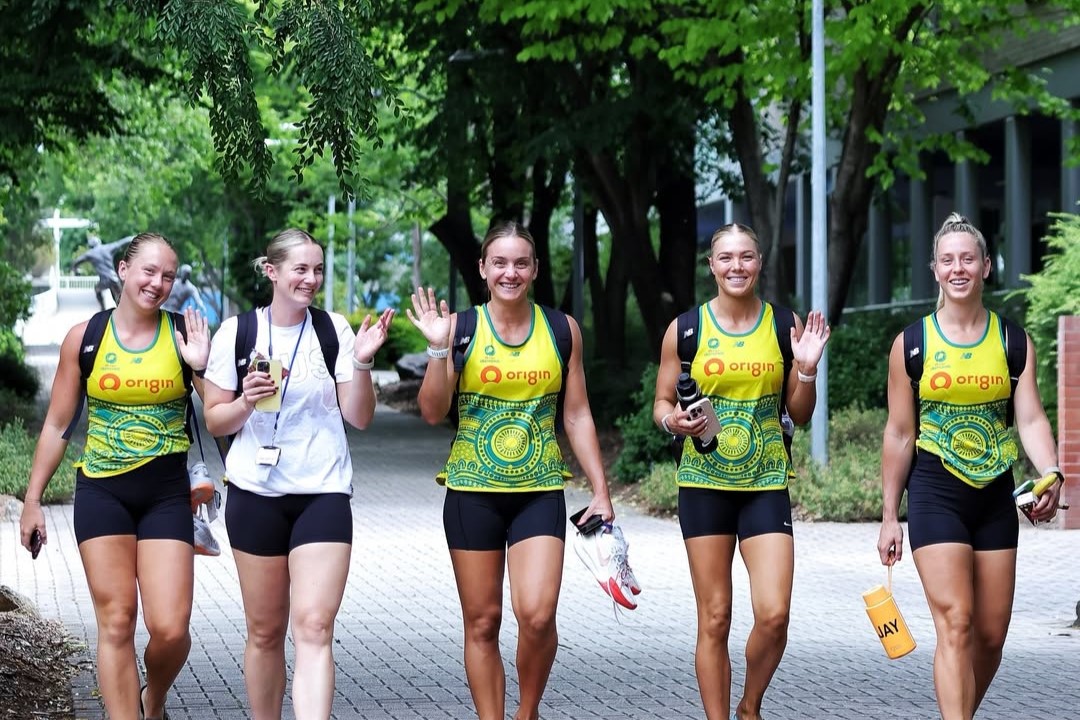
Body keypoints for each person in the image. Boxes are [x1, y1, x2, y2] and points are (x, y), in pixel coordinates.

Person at [406, 221, 614, 720]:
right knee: (483, 622)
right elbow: (433, 411)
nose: (510, 272)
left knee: (538, 616)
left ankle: (527, 711)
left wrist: (601, 490)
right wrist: (437, 349)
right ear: (482, 269)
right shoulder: (460, 328)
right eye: (499, 262)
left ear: (535, 269)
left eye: (521, 262)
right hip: (471, 492)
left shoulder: (562, 330)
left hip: (539, 490)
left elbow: (577, 413)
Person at [201, 228, 394, 720]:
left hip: (323, 493)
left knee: (314, 627)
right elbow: (215, 420)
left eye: (318, 269)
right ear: (272, 271)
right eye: (300, 269)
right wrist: (246, 398)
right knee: (265, 631)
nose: (311, 279)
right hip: (255, 492)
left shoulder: (334, 331)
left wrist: (363, 362)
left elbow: (360, 417)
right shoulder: (237, 332)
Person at [876, 213, 1063, 720]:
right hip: (936, 492)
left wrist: (1053, 472)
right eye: (947, 260)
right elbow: (899, 433)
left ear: (985, 267)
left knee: (990, 635)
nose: (958, 268)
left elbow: (1030, 419)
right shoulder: (911, 345)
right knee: (955, 622)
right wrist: (891, 514)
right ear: (935, 271)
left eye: (968, 259)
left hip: (995, 496)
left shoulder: (1012, 342)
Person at [20, 232, 210, 720]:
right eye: (149, 271)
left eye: (168, 275)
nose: (158, 283)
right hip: (102, 490)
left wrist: (203, 370)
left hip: (167, 493)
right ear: (123, 270)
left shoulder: (185, 335)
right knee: (116, 621)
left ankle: (155, 698)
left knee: (170, 627)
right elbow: (59, 424)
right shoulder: (84, 338)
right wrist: (32, 499)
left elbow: (222, 415)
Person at [652, 223, 830, 720]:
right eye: (726, 257)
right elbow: (662, 401)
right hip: (704, 484)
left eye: (746, 257)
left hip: (765, 484)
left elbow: (799, 411)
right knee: (715, 617)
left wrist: (808, 368)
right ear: (711, 265)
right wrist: (673, 421)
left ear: (759, 262)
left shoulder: (782, 325)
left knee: (774, 615)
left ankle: (749, 706)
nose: (736, 266)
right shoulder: (686, 329)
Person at [71, 233, 132, 311]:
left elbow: (76, 261)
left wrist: (75, 271)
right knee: (120, 297)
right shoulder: (108, 248)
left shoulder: (91, 253)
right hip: (114, 279)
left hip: (104, 281)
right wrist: (136, 237)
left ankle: (103, 309)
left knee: (97, 289)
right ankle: (124, 311)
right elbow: (123, 241)